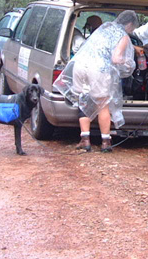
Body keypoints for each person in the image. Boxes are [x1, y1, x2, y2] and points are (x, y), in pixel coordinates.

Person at [54, 10, 139, 153]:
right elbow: (116, 58)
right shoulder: (123, 36)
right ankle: (105, 142)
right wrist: (129, 61)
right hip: (98, 69)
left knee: (84, 100)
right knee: (103, 104)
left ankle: (85, 140)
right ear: (129, 24)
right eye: (133, 27)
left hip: (80, 65)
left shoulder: (105, 27)